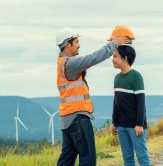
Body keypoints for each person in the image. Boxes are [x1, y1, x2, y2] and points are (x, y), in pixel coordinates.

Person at [55, 28, 127, 166]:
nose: (79, 45)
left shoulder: (62, 63)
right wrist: (114, 44)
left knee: (67, 159)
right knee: (88, 158)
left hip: (67, 119)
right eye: (76, 42)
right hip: (77, 118)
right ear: (67, 45)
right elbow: (94, 58)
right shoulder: (70, 63)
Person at [111, 45, 151, 166]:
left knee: (142, 156)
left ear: (125, 58)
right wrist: (114, 122)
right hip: (121, 126)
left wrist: (139, 124)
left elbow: (141, 102)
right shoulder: (117, 78)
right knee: (127, 158)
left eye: (115, 56)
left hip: (135, 126)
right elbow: (116, 102)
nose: (112, 59)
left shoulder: (136, 76)